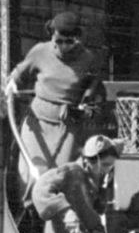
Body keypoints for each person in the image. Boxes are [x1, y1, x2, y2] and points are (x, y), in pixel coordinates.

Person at [6, 12, 104, 180]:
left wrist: (89, 102)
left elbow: (95, 87)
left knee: (57, 178)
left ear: (77, 38)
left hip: (66, 125)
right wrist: (12, 82)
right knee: (30, 175)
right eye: (59, 41)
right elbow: (19, 73)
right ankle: (29, 206)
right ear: (52, 36)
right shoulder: (40, 51)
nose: (63, 47)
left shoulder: (88, 59)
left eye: (69, 42)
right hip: (37, 122)